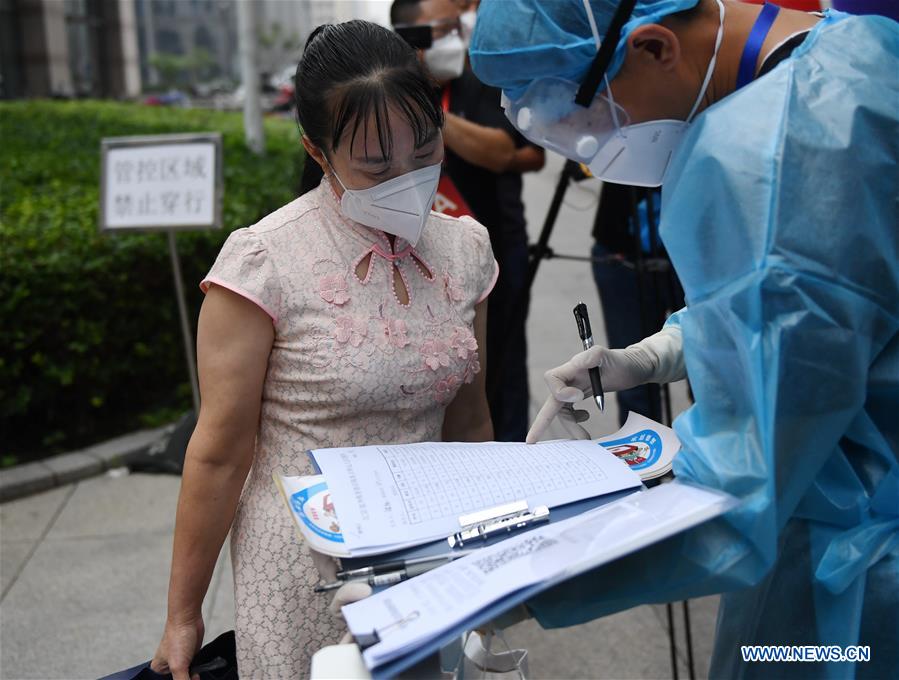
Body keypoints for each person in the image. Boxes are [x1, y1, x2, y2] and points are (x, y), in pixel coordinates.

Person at [469, 0, 898, 677]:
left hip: (857, 580)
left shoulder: (784, 143)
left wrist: (512, 579)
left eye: (594, 121)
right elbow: (826, 297)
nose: (599, 147)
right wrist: (656, 353)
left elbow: (736, 490)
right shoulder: (862, 56)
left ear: (654, 48)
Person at [151, 20, 497, 679]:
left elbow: (470, 420)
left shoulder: (465, 249)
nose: (408, 177)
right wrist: (182, 614)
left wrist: (487, 555)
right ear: (316, 149)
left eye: (425, 151)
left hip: (426, 557)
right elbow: (220, 453)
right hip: (304, 568)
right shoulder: (265, 262)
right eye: (375, 164)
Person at [392, 0, 546, 442]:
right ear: (409, 38)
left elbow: (509, 151)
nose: (455, 35)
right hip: (419, 256)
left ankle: (515, 458)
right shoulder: (385, 90)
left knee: (502, 367)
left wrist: (428, 113)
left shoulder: (479, 77)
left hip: (498, 246)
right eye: (441, 28)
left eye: (456, 24)